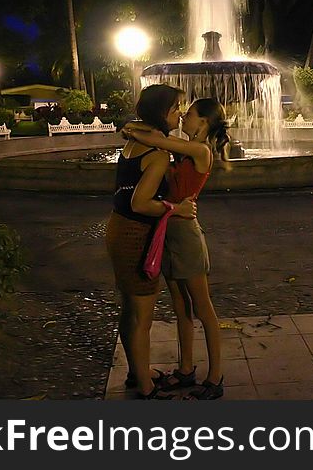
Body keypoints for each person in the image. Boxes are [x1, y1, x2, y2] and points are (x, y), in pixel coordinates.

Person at [123, 98, 228, 400]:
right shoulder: (184, 148)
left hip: (185, 235)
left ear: (204, 122)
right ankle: (185, 369)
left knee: (203, 308)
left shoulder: (200, 151)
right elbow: (154, 137)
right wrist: (131, 129)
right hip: (167, 231)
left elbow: (153, 138)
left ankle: (215, 377)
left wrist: (132, 132)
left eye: (191, 114)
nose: (183, 117)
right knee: (181, 307)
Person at [105, 84, 196, 400]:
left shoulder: (133, 144)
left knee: (129, 310)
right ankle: (145, 387)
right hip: (136, 234)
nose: (180, 113)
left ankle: (136, 373)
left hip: (118, 229)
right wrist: (176, 208)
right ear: (161, 112)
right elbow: (140, 203)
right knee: (142, 318)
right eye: (176, 108)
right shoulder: (157, 155)